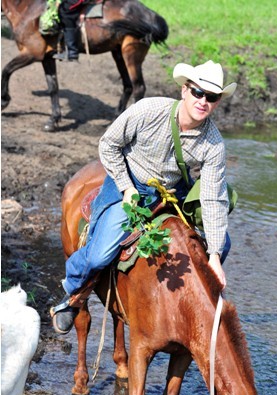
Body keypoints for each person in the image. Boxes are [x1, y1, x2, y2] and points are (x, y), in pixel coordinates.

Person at [51, 59, 237, 334]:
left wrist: (216, 256)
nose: (203, 101)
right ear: (185, 90)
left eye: (211, 97)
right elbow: (109, 144)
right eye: (198, 93)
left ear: (217, 102)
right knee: (100, 255)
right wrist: (126, 187)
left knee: (222, 243)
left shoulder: (213, 144)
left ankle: (189, 306)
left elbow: (212, 198)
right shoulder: (148, 110)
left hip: (172, 191)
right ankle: (73, 294)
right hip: (130, 181)